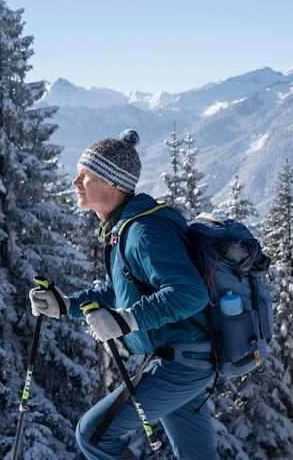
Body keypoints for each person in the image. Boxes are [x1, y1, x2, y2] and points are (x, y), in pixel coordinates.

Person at [30, 129, 218, 459]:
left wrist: (126, 320)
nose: (75, 182)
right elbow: (116, 290)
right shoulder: (126, 227)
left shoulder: (144, 231)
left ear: (113, 184)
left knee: (93, 435)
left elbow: (190, 294)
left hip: (182, 362)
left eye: (85, 175)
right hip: (185, 358)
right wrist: (65, 305)